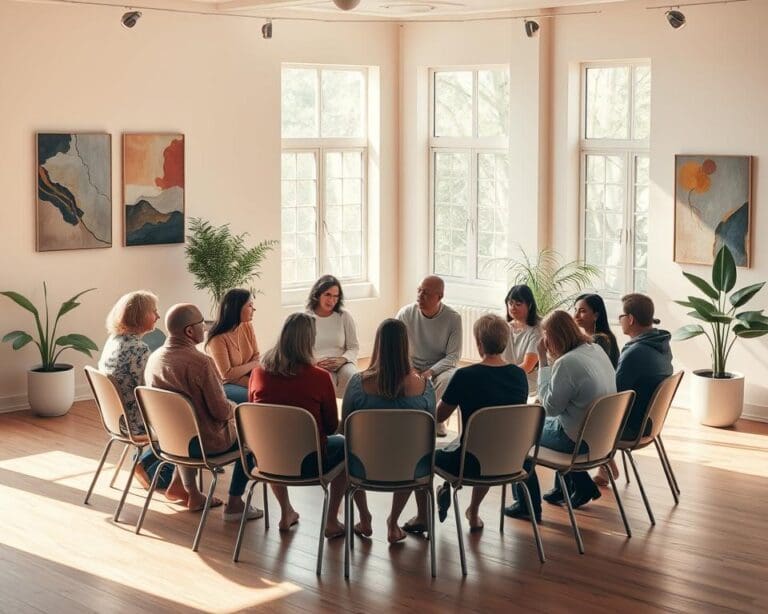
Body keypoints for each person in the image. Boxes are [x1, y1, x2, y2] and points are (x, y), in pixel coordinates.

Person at [404, 314, 528, 533]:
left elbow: (438, 417)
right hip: (509, 459)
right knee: (489, 443)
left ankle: (423, 516)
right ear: (506, 341)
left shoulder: (465, 376)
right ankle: (474, 511)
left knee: (419, 455)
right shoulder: (519, 375)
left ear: (479, 343)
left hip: (468, 463)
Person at [145, 303, 263, 521]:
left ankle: (188, 490)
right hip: (206, 443)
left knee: (181, 424)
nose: (206, 327)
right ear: (190, 331)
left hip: (171, 441)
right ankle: (235, 504)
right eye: (202, 323)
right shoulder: (201, 363)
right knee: (255, 432)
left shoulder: (155, 358)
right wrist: (238, 409)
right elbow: (220, 412)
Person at [504, 310, 616, 522]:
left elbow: (550, 408)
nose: (544, 341)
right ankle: (583, 486)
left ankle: (527, 506)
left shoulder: (567, 363)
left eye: (546, 335)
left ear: (554, 336)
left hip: (577, 442)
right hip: (601, 438)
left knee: (517, 434)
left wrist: (543, 362)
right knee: (541, 422)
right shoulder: (595, 349)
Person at [249, 312, 347, 538]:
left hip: (267, 460)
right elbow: (331, 426)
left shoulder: (258, 374)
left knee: (272, 442)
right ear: (308, 340)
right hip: (310, 462)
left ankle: (286, 511)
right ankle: (331, 520)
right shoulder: (320, 377)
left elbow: (255, 417)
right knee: (343, 446)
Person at [341, 318, 436, 543]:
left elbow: (344, 427)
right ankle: (393, 522)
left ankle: (364, 517)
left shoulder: (356, 384)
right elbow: (430, 431)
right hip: (409, 470)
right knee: (413, 452)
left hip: (362, 468)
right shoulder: (424, 387)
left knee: (344, 450)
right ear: (406, 345)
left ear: (378, 344)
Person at [98, 291, 179, 497]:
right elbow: (150, 391)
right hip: (136, 421)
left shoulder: (114, 341)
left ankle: (150, 466)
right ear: (139, 316)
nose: (158, 317)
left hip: (118, 418)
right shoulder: (138, 349)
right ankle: (147, 465)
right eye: (154, 312)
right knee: (186, 419)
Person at [595, 293, 673, 486]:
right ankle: (605, 466)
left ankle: (597, 469)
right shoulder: (660, 344)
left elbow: (614, 393)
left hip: (632, 427)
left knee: (579, 417)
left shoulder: (635, 352)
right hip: (649, 421)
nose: (619, 321)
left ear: (630, 319)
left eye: (621, 316)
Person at [397, 275, 462, 436]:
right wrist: (410, 369)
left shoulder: (453, 318)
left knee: (450, 378)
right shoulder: (405, 313)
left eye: (425, 293)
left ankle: (434, 418)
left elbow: (453, 356)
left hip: (438, 367)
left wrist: (430, 372)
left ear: (439, 297)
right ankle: (416, 418)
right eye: (419, 290)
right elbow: (396, 348)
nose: (420, 296)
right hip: (410, 365)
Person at [306, 275, 359, 397]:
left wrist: (343, 359)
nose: (332, 300)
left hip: (343, 362)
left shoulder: (344, 316)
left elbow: (353, 347)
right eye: (328, 295)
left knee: (353, 377)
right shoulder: (307, 318)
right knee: (325, 380)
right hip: (317, 364)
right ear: (318, 294)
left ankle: (347, 411)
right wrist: (315, 362)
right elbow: (301, 351)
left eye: (336, 296)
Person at [205, 289, 260, 404]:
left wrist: (251, 377)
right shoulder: (217, 338)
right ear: (237, 308)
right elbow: (226, 374)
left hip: (244, 377)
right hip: (225, 385)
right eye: (250, 306)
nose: (254, 309)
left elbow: (256, 356)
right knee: (258, 397)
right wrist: (253, 374)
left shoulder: (247, 326)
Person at [503, 285, 542, 397]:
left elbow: (527, 366)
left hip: (528, 385)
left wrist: (500, 376)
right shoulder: (505, 326)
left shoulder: (537, 329)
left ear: (529, 305)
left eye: (518, 304)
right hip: (507, 379)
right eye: (510, 303)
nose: (513, 308)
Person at [573, 293, 620, 368]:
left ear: (596, 315)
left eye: (582, 311)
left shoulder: (601, 340)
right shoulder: (583, 337)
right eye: (575, 310)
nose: (576, 315)